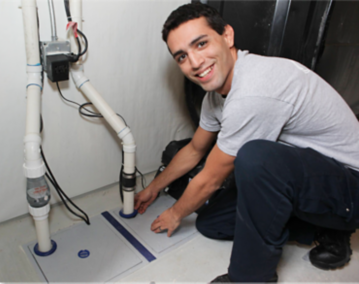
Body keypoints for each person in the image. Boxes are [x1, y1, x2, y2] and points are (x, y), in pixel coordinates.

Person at [134, 3, 359, 284]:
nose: (194, 62)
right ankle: (318, 228)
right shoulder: (215, 97)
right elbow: (194, 150)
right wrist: (153, 188)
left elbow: (211, 179)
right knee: (210, 223)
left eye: (201, 43)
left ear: (227, 36)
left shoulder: (253, 89)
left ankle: (252, 278)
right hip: (305, 174)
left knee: (254, 158)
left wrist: (175, 213)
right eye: (182, 56)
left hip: (349, 185)